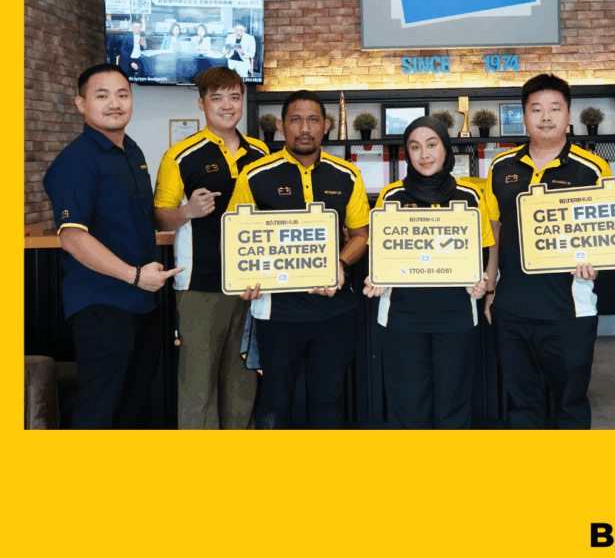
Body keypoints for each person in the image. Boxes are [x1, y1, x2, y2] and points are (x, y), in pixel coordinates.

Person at [42, 64, 184, 429]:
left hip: (143, 302)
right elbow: (72, 237)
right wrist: (134, 276)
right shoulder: (76, 161)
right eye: (101, 95)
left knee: (132, 404)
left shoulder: (130, 150)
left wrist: (186, 212)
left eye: (122, 94)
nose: (114, 103)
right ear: (80, 103)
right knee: (100, 410)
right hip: (103, 304)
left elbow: (139, 219)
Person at [231, 90, 369, 429]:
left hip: (335, 310)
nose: (303, 128)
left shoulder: (347, 174)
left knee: (328, 397)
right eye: (295, 120)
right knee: (275, 400)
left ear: (326, 126)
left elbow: (361, 235)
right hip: (277, 311)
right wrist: (242, 278)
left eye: (312, 120)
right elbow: (235, 237)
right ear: (280, 126)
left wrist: (339, 265)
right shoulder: (254, 174)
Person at [484, 74, 611, 429]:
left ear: (568, 114)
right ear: (523, 116)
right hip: (512, 308)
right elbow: (495, 232)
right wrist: (492, 290)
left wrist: (596, 263)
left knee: (569, 403)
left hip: (569, 309)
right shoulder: (500, 167)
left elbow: (607, 232)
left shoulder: (592, 169)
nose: (545, 117)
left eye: (555, 108)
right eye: (536, 109)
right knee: (521, 404)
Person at [154, 67, 269, 429]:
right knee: (198, 384)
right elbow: (160, 217)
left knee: (243, 379)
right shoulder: (180, 154)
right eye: (217, 98)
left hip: (251, 287)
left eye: (234, 97)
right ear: (202, 103)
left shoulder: (262, 152)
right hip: (200, 284)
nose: (227, 105)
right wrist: (188, 211)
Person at [363, 116, 493, 429]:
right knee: (407, 405)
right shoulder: (391, 197)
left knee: (453, 404)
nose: (424, 154)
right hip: (401, 318)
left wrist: (483, 284)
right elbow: (380, 255)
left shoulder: (470, 196)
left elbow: (485, 251)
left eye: (432, 145)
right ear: (407, 153)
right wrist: (376, 277)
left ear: (446, 149)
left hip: (458, 317)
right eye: (415, 147)